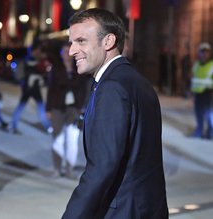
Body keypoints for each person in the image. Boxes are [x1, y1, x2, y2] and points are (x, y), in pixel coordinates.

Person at [62, 8, 168, 218]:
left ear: (108, 41)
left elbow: (102, 167)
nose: (71, 50)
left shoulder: (111, 87)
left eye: (81, 41)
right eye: (71, 42)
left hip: (122, 210)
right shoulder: (137, 82)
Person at [46, 42, 89, 179]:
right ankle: (57, 169)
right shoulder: (56, 68)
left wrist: (82, 106)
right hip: (58, 107)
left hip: (74, 108)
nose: (66, 54)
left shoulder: (78, 66)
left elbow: (83, 87)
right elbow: (51, 89)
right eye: (63, 51)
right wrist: (48, 109)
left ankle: (70, 169)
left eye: (68, 51)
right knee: (57, 139)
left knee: (72, 139)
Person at [8, 42, 51, 133]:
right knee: (38, 107)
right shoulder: (30, 60)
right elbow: (32, 74)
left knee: (25, 106)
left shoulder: (30, 59)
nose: (39, 52)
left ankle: (12, 125)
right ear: (34, 50)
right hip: (30, 88)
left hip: (30, 87)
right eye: (38, 50)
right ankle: (47, 127)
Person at [190, 42, 213, 139]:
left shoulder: (212, 65)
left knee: (209, 115)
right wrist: (191, 92)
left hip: (209, 93)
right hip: (197, 94)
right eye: (202, 52)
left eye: (206, 52)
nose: (204, 54)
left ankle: (210, 132)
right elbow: (193, 79)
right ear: (199, 53)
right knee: (198, 114)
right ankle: (199, 131)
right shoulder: (196, 65)